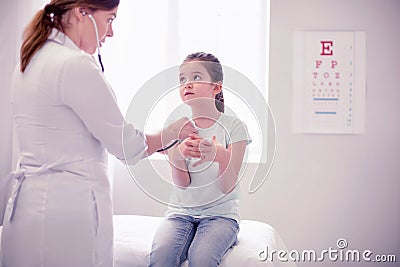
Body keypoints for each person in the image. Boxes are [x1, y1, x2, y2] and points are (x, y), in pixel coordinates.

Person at [0, 1, 195, 267]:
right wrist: (171, 132)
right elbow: (127, 147)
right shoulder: (75, 65)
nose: (111, 32)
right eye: (110, 19)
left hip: (26, 211)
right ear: (83, 12)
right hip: (66, 217)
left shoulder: (30, 59)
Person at [149, 52, 252, 267]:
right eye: (182, 79)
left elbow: (227, 186)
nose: (187, 84)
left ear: (216, 87)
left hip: (220, 216)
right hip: (180, 213)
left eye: (196, 77)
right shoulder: (177, 127)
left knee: (202, 259)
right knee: (161, 257)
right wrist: (175, 153)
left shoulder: (234, 127)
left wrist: (220, 156)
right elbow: (182, 184)